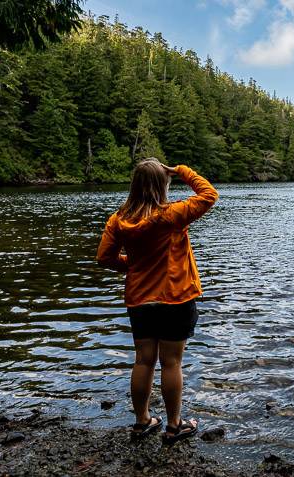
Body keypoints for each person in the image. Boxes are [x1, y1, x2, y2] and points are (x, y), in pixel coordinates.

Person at [96, 158, 218, 444]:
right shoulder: (172, 214)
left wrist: (134, 265)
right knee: (171, 363)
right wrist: (183, 170)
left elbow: (104, 258)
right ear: (162, 185)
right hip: (175, 298)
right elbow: (209, 194)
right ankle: (175, 425)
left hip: (140, 299)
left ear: (135, 186)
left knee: (143, 361)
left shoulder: (118, 220)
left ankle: (142, 422)